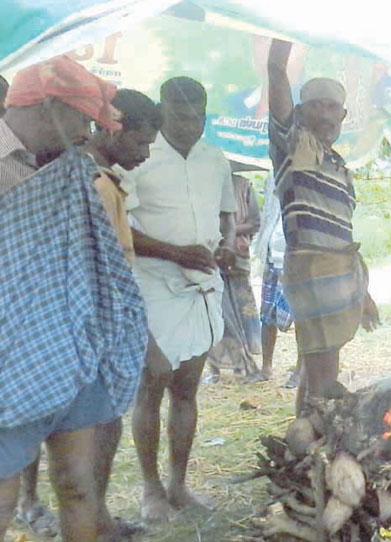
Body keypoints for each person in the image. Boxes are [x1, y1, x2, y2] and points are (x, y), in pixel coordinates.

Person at [0, 56, 148, 542]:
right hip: (11, 356)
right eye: (81, 120)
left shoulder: (69, 169)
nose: (87, 134)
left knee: (78, 485)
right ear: (45, 106)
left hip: (72, 345)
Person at [124, 76, 237, 522]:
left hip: (203, 288)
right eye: (181, 117)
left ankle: (178, 484)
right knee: (151, 388)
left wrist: (228, 243)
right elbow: (120, 229)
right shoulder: (140, 156)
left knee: (188, 389)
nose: (192, 126)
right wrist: (174, 252)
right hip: (153, 286)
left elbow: (229, 215)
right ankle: (150, 489)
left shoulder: (216, 157)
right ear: (162, 111)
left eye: (199, 117)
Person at [267, 39, 380, 413]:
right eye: (317, 105)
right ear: (300, 111)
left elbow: (343, 233)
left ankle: (305, 443)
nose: (326, 114)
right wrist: (283, 32)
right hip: (312, 268)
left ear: (344, 116)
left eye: (333, 107)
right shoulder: (293, 143)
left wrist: (361, 291)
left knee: (316, 371)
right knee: (324, 375)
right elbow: (276, 74)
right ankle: (319, 443)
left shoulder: (339, 166)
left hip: (339, 270)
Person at [82, 88, 161, 540]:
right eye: (139, 143)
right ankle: (93, 518)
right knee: (101, 422)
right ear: (111, 129)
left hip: (106, 317)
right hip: (101, 320)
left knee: (105, 420)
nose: (145, 154)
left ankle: (96, 515)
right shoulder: (96, 184)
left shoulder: (103, 179)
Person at [206, 172, 262, 381]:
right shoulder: (202, 183)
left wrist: (227, 230)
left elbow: (255, 222)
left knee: (238, 312)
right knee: (217, 312)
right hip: (211, 255)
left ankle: (243, 364)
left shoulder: (242, 185)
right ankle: (218, 368)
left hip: (236, 256)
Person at [255, 173, 299, 385]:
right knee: (267, 315)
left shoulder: (303, 175)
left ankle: (301, 370)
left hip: (295, 258)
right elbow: (267, 215)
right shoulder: (271, 178)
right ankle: (266, 366)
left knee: (302, 318)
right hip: (272, 255)